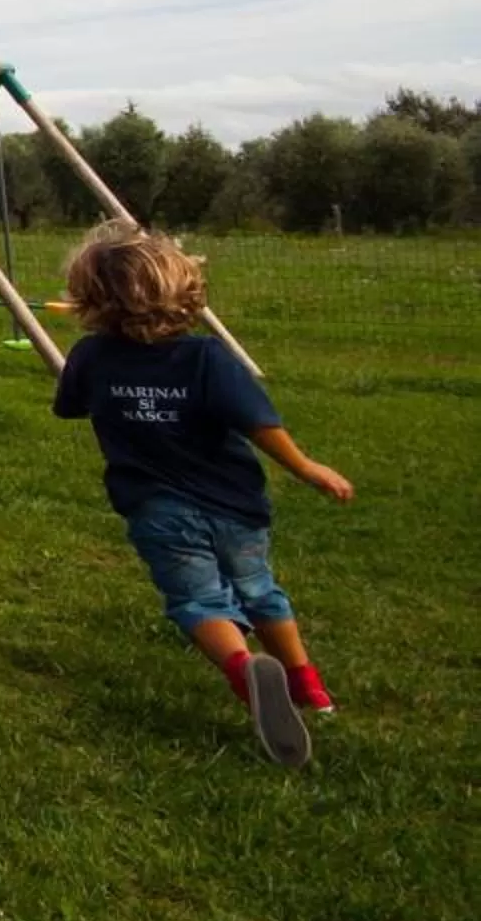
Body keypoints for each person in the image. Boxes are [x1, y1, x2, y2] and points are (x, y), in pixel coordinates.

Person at [52, 221, 352, 767]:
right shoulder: (207, 358)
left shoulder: (91, 357)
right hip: (235, 504)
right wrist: (305, 467)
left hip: (156, 507)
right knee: (260, 591)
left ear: (90, 298)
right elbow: (259, 424)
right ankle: (308, 686)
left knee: (198, 601)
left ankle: (243, 670)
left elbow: (70, 405)